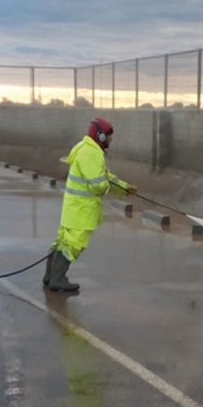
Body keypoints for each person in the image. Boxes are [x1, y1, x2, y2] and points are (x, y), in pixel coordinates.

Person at [43, 117, 137, 292]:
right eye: (108, 136)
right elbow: (98, 185)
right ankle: (57, 279)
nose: (111, 139)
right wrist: (108, 188)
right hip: (82, 210)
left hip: (74, 208)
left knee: (63, 241)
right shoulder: (91, 154)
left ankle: (50, 277)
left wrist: (125, 188)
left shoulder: (85, 148)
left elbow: (105, 176)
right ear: (100, 136)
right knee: (73, 244)